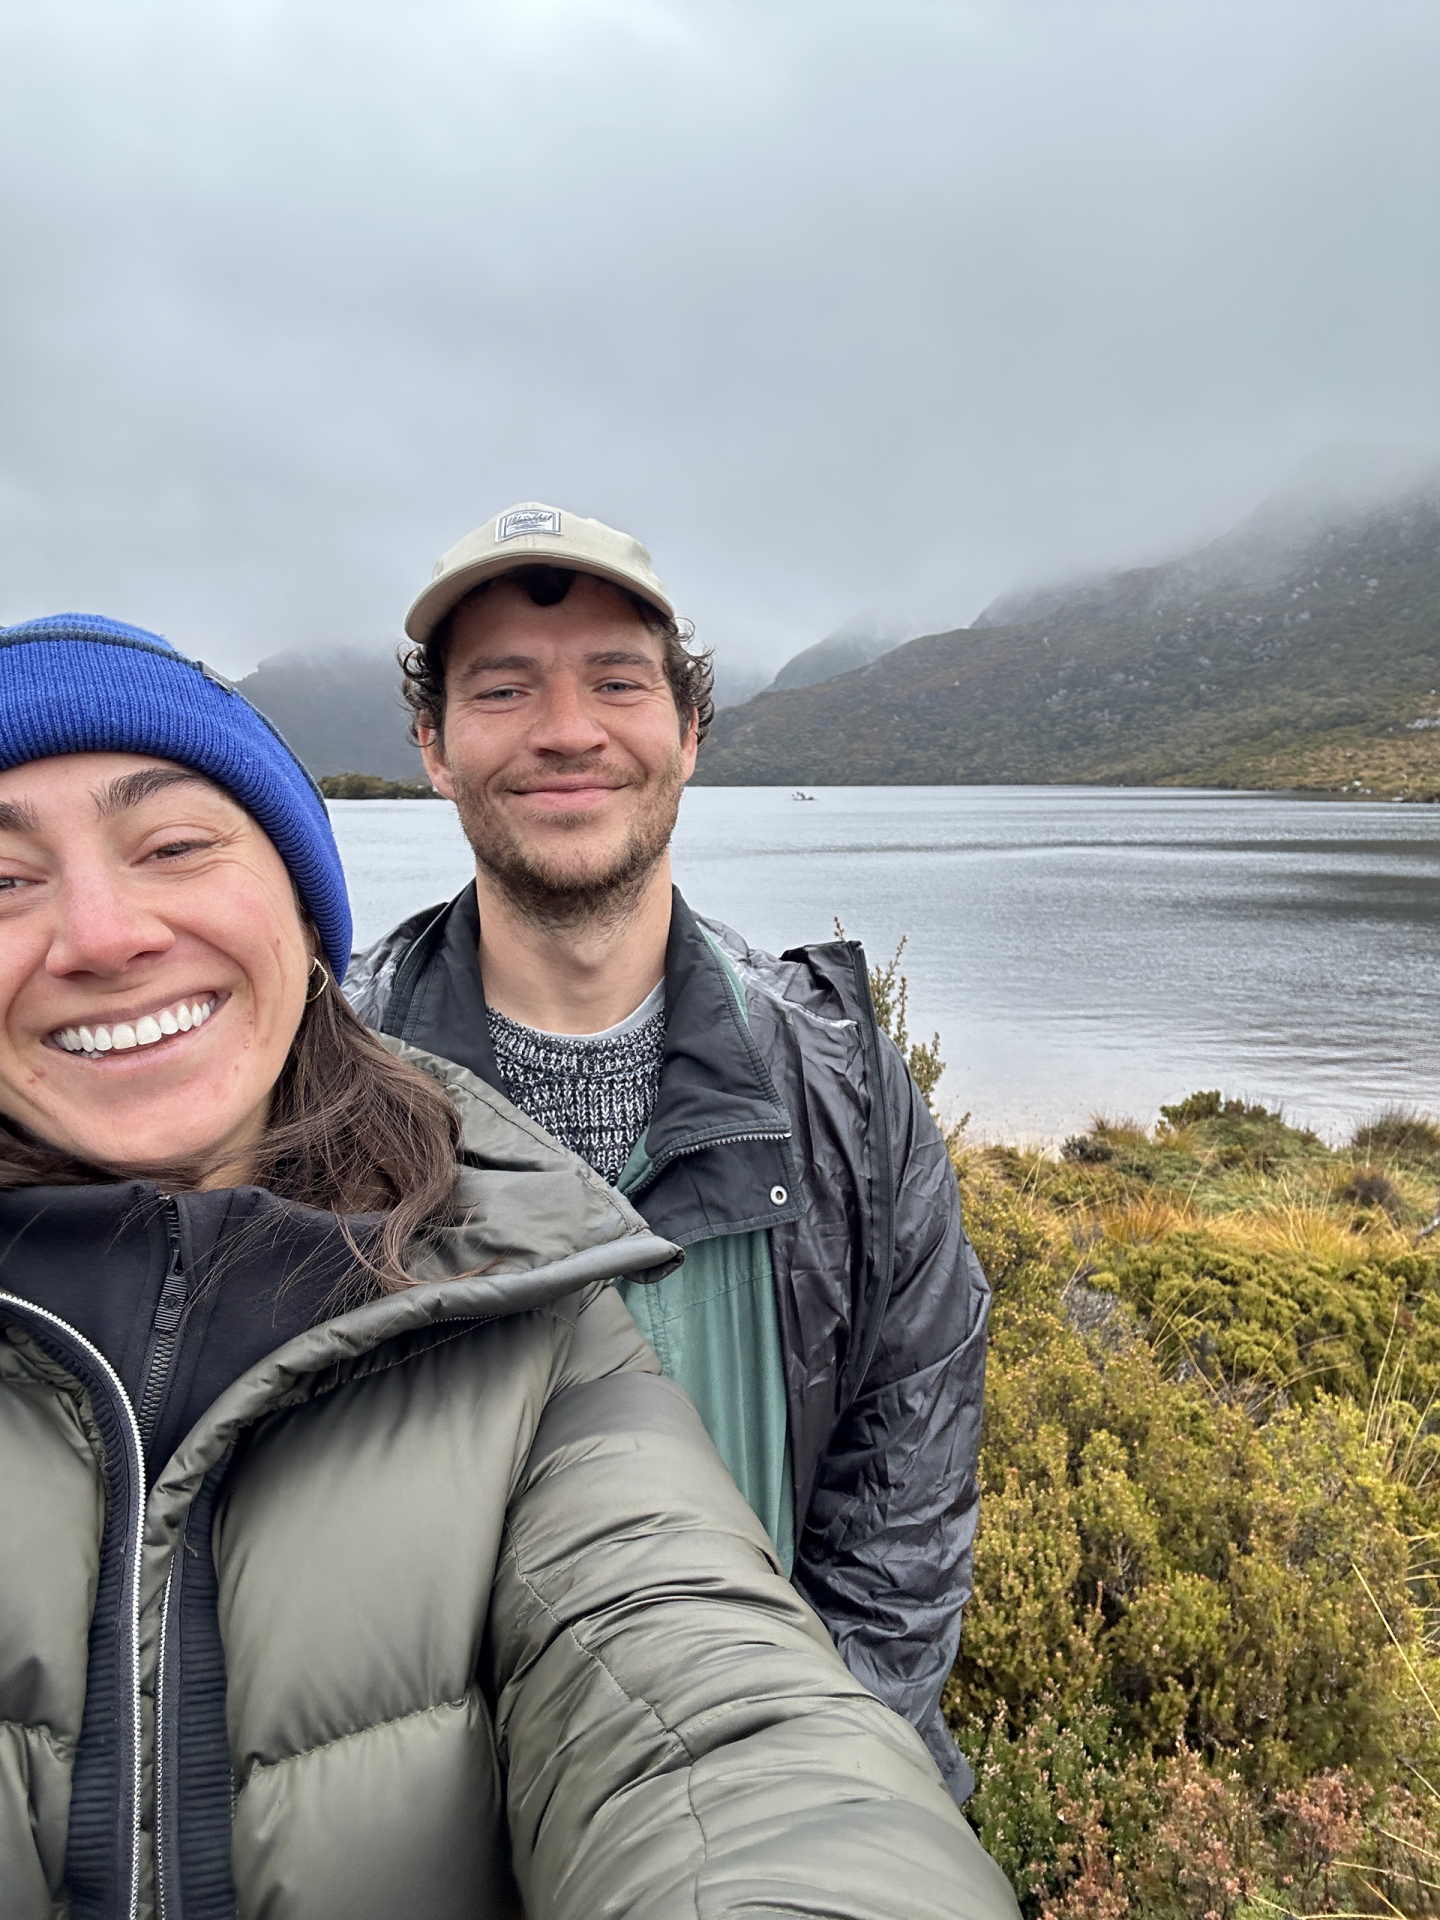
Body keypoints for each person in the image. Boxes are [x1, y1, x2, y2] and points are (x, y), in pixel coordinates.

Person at [0, 613, 1019, 1920]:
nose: (100, 934)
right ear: (430, 745)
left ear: (691, 731)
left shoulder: (798, 1112)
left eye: (175, 846)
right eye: (5, 877)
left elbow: (726, 1668)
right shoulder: (398, 1131)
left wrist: (858, 1754)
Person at [347, 501, 992, 1799]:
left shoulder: (846, 1088)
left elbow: (903, 1496)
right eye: (504, 688)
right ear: (433, 745)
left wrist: (805, 1786)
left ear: (689, 730)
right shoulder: (326, 1087)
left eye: (617, 682)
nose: (567, 729)